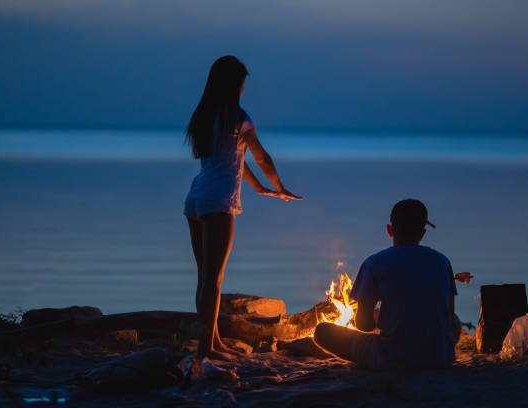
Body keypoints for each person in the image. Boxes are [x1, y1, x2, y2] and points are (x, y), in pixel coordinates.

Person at [184, 56, 302, 359]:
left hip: (196, 198)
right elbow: (262, 158)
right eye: (242, 84)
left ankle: (213, 341)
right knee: (214, 279)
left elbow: (234, 159)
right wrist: (279, 186)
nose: (243, 89)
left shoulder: (205, 115)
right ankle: (206, 349)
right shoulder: (239, 117)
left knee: (205, 277)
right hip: (217, 202)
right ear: (235, 85)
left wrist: (259, 188)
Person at [314, 199, 460, 370]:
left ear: (389, 230)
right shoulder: (442, 261)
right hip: (440, 356)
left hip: (392, 358)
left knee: (322, 331)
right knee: (456, 321)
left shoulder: (375, 263)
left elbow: (363, 325)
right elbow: (449, 316)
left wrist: (379, 316)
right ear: (422, 233)